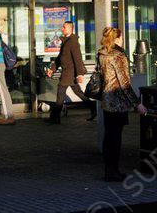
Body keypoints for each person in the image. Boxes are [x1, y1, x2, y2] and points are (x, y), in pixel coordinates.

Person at [98, 26, 146, 181]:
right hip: (118, 102)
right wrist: (137, 103)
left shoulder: (102, 54)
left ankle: (108, 170)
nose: (123, 40)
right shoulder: (118, 55)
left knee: (108, 137)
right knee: (116, 138)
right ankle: (114, 171)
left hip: (106, 101)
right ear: (117, 38)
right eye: (122, 37)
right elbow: (124, 83)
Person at [45, 20, 95, 123]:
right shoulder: (66, 41)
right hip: (67, 72)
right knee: (78, 92)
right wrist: (52, 69)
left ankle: (55, 117)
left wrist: (79, 74)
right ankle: (93, 108)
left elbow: (78, 58)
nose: (62, 29)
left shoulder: (73, 42)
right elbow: (60, 58)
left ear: (70, 29)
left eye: (64, 27)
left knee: (60, 93)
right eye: (62, 27)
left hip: (70, 73)